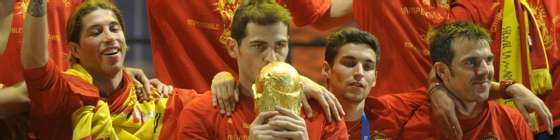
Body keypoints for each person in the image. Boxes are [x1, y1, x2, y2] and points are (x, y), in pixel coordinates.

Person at [21, 0, 196, 139]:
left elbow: (209, 107)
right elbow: (36, 63)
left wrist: (222, 78)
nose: (110, 37)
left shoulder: (156, 98)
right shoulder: (64, 94)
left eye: (114, 29)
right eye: (96, 32)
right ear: (75, 50)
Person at [179, 1, 348, 139]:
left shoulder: (324, 114)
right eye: (259, 46)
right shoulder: (201, 114)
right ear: (232, 47)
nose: (271, 58)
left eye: (280, 45)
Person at [368, 21, 533, 139]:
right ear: (442, 71)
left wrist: (511, 87)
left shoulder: (512, 121)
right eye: (471, 62)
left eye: (488, 60)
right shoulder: (400, 113)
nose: (485, 71)